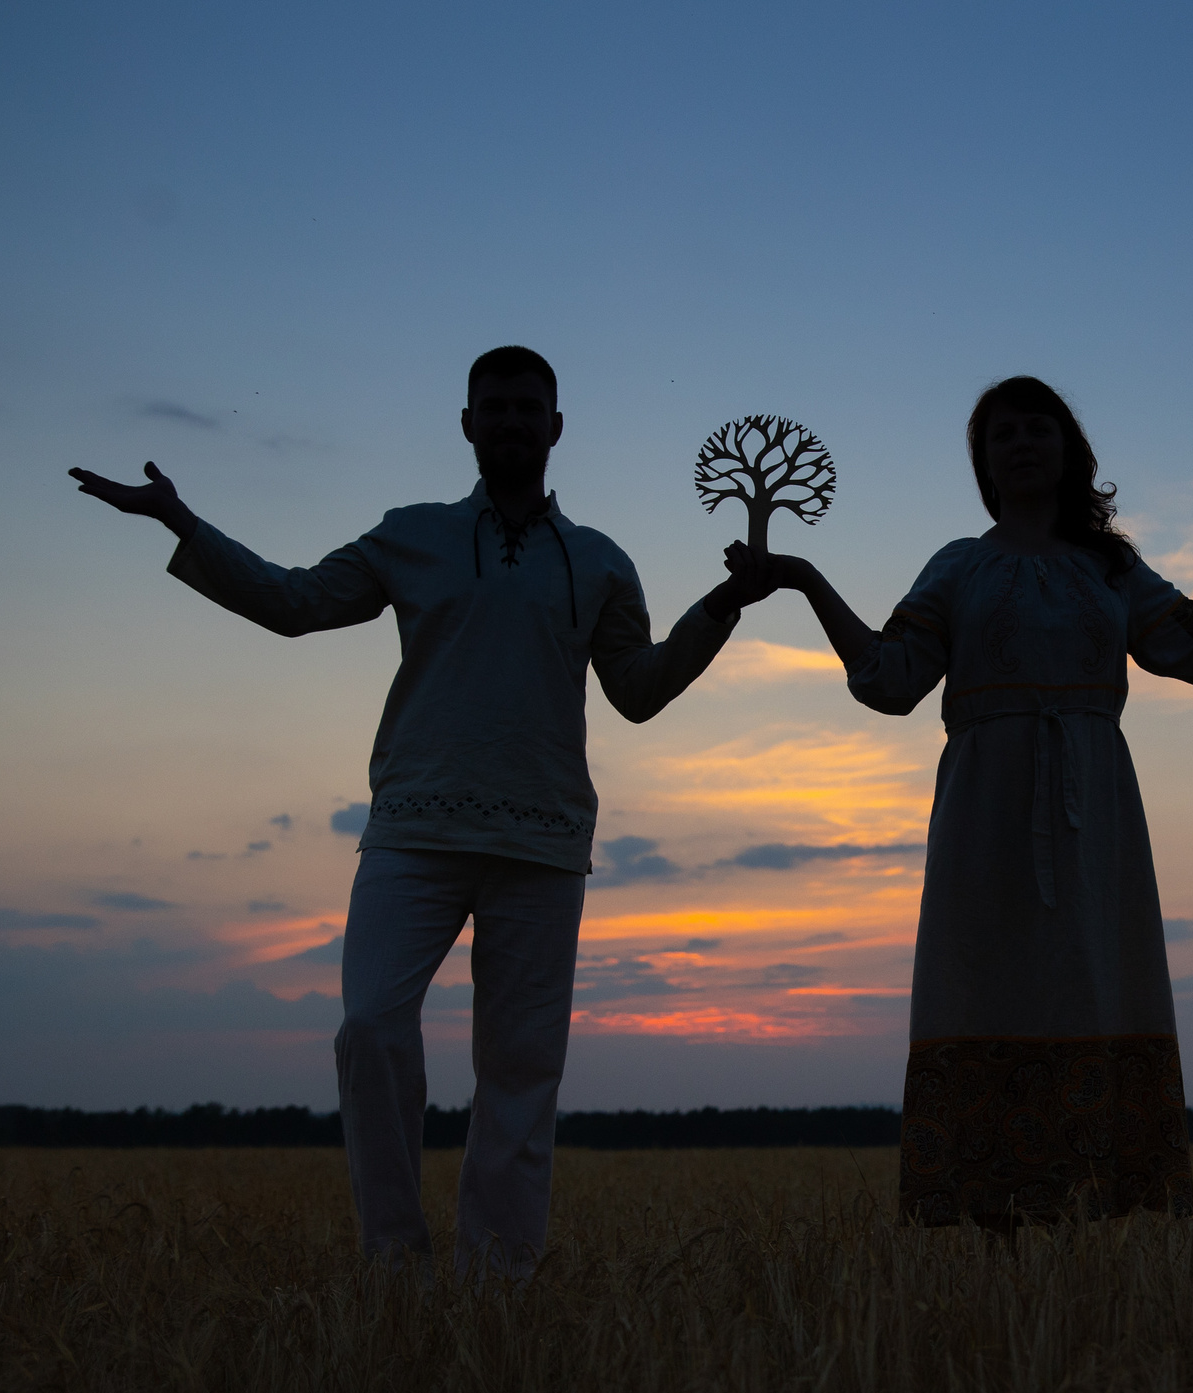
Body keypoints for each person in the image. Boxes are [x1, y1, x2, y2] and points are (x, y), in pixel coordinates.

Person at [69, 345, 778, 1278]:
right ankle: (395, 1264)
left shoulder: (600, 560)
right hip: (413, 830)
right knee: (369, 1028)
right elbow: (294, 602)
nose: (513, 421)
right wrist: (182, 523)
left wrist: (726, 602)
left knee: (521, 1069)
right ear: (468, 424)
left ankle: (498, 1284)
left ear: (557, 428)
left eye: (529, 408)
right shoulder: (413, 535)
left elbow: (638, 690)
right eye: (496, 406)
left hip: (543, 840)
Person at [731, 375, 1193, 1232]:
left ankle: (1090, 1228)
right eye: (1001, 433)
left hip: (1095, 824)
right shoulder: (958, 566)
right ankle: (986, 1233)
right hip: (983, 821)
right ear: (983, 463)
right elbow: (891, 679)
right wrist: (802, 577)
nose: (1020, 443)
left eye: (1036, 428)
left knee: (1095, 986)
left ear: (1068, 449)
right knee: (981, 988)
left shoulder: (1110, 569)